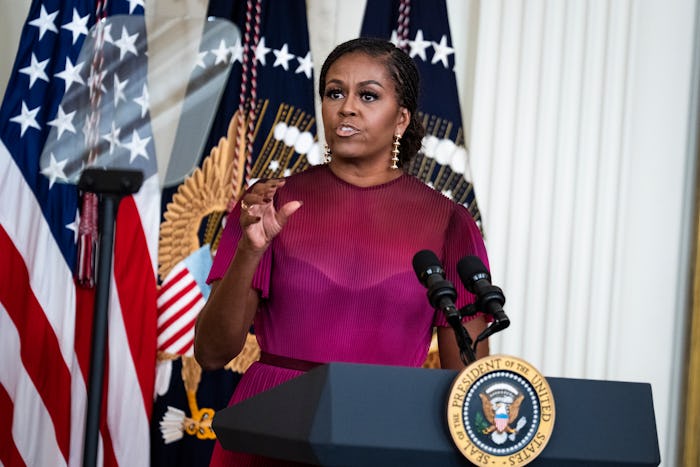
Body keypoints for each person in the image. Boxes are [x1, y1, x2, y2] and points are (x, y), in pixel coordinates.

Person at [195, 37, 490, 466]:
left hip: (384, 429)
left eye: (368, 95)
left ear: (401, 118)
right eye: (335, 93)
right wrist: (249, 252)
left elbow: (467, 386)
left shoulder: (448, 223)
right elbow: (212, 353)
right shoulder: (267, 204)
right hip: (270, 427)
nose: (347, 108)